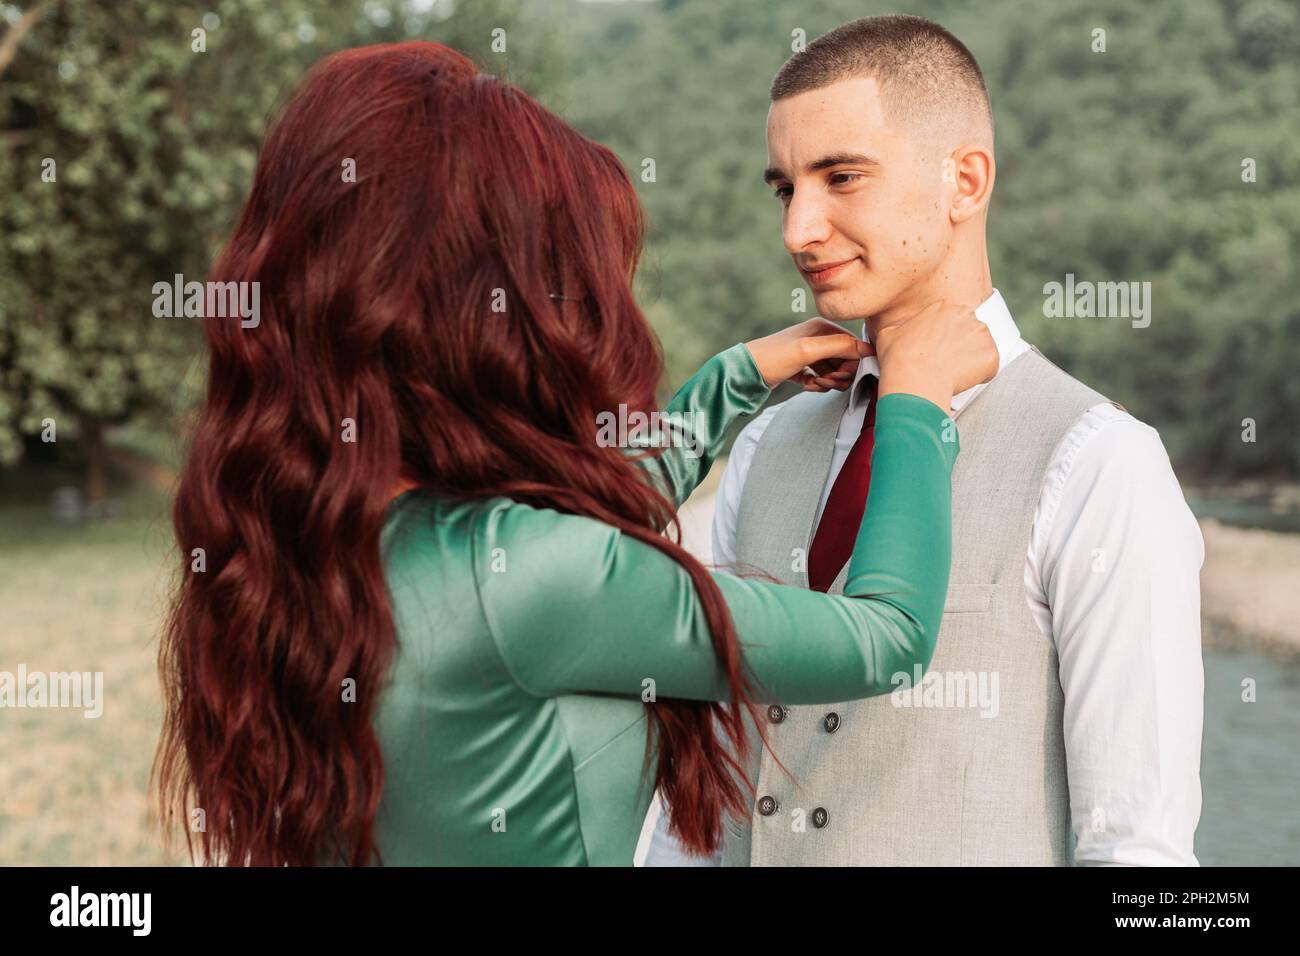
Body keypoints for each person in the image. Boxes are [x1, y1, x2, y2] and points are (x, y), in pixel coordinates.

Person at [154, 40, 996, 866]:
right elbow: (885, 637)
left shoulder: (306, 530)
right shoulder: (533, 577)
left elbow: (567, 521)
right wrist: (917, 403)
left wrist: (733, 379)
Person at [647, 14, 1204, 867]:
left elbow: (1138, 852)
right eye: (785, 189)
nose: (799, 229)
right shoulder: (763, 446)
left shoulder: (1098, 460)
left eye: (842, 177)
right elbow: (708, 788)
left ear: (966, 181)